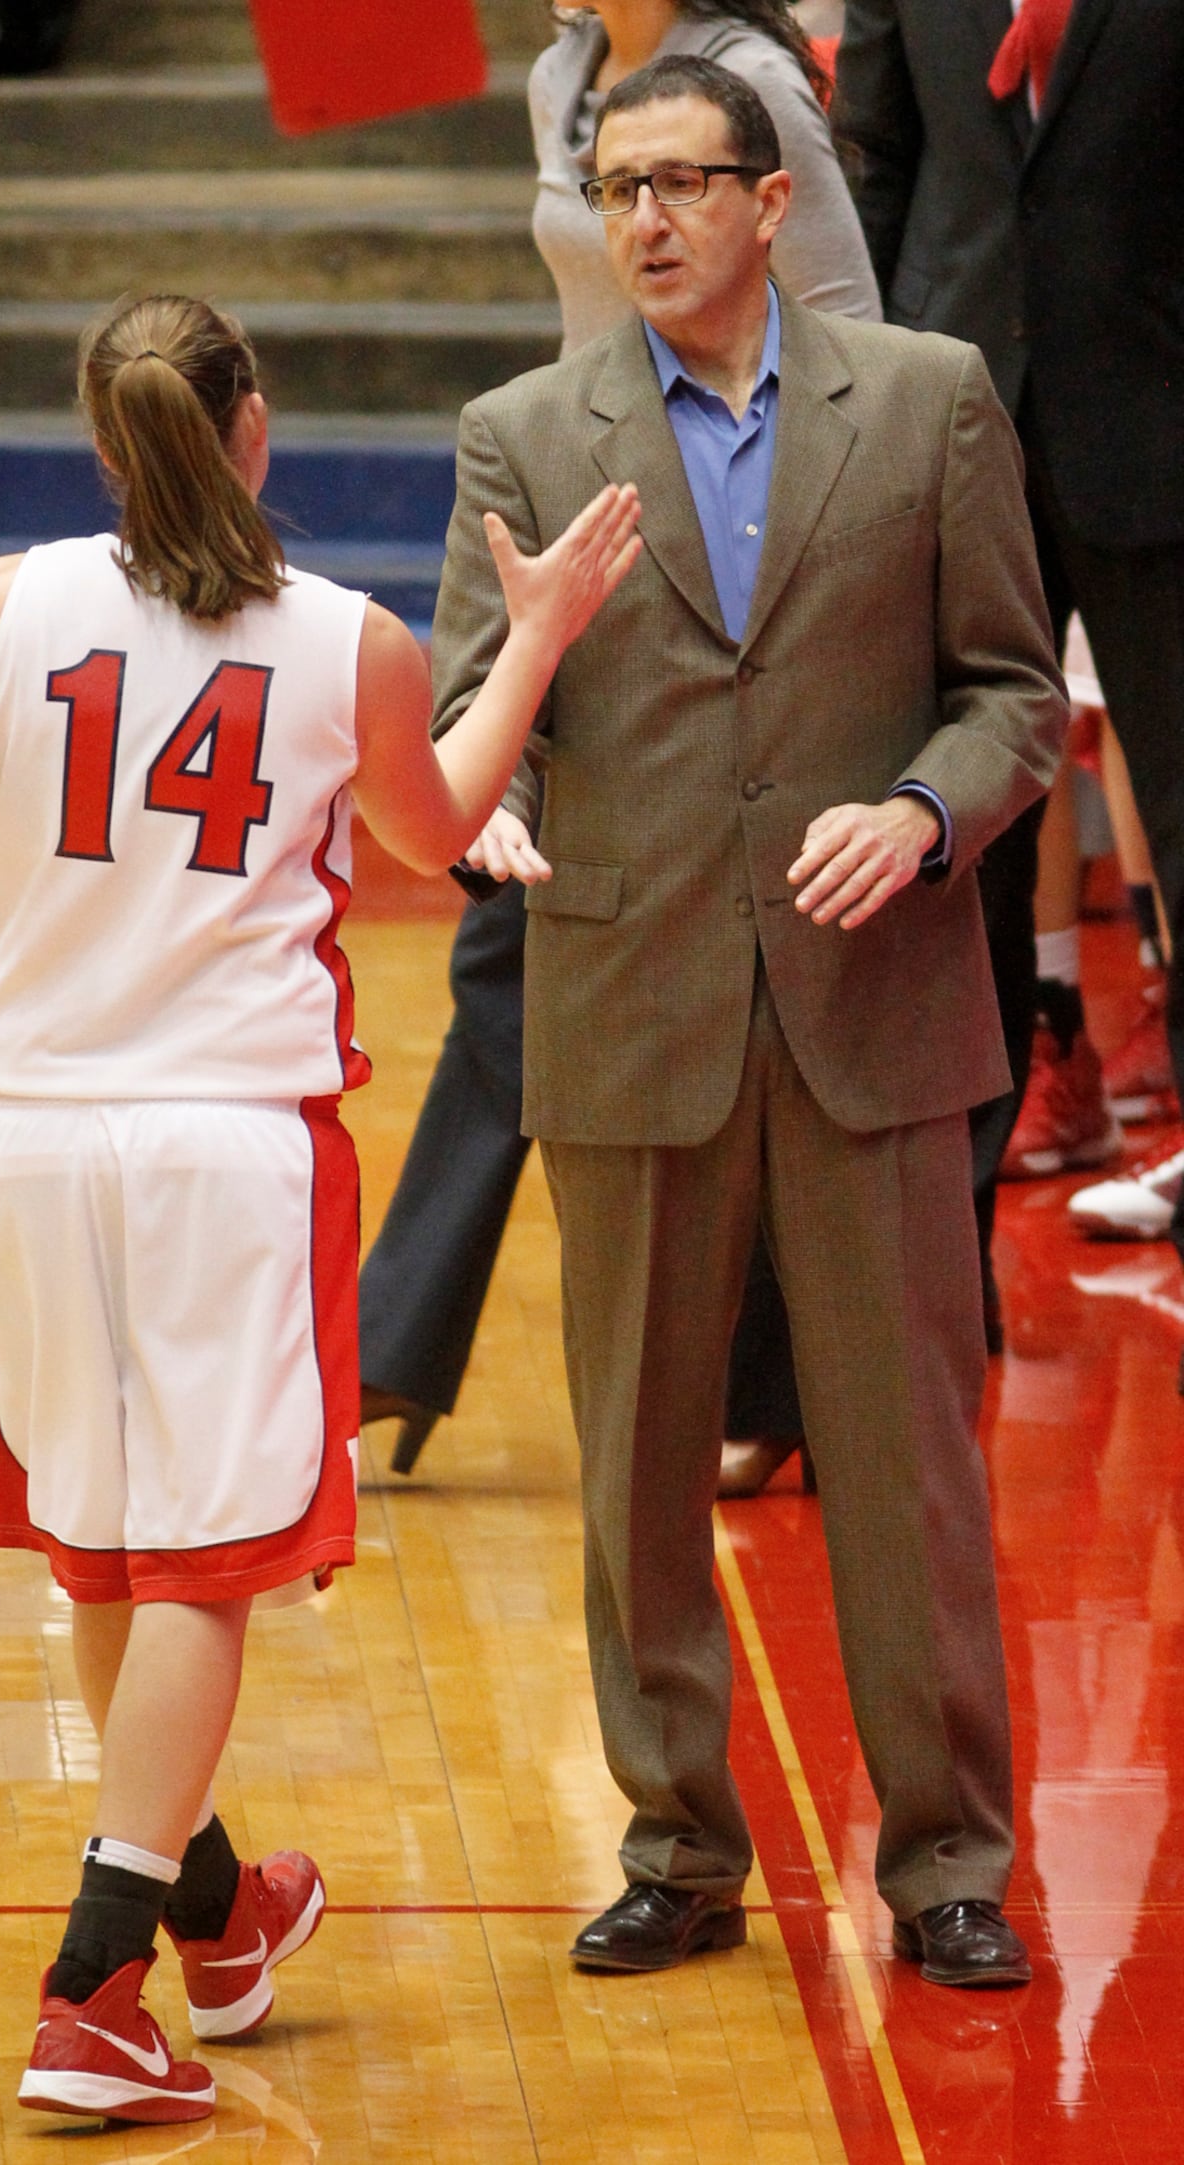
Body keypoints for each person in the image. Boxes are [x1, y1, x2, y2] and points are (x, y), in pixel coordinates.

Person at [0, 293, 641, 2123]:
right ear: (253, 427)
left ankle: (219, 1908)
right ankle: (90, 1990)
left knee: (112, 1547)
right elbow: (444, 832)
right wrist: (543, 636)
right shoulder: (348, 644)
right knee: (201, 1565)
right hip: (222, 1148)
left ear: (104, 444)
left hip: (31, 1141)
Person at [433, 55, 1065, 1985]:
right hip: (633, 1008)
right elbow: (478, 730)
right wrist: (508, 820)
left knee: (909, 1468)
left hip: (873, 1010)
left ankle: (950, 1857)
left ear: (772, 202)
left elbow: (1015, 697)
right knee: (636, 1461)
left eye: (681, 184)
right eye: (616, 188)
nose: (644, 220)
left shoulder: (933, 403)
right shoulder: (527, 436)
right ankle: (677, 1840)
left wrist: (926, 807)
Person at [358, 0, 880, 1485]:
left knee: (728, 952)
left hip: (730, 552)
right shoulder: (561, 74)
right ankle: (398, 1342)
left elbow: (853, 344)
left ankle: (406, 1345)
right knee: (515, 919)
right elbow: (590, 317)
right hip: (586, 524)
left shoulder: (758, 83)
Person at [834, 0, 1184, 1303]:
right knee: (958, 843)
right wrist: (864, 404)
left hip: (1155, 416)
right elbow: (880, 166)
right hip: (958, 424)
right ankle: (943, 1262)